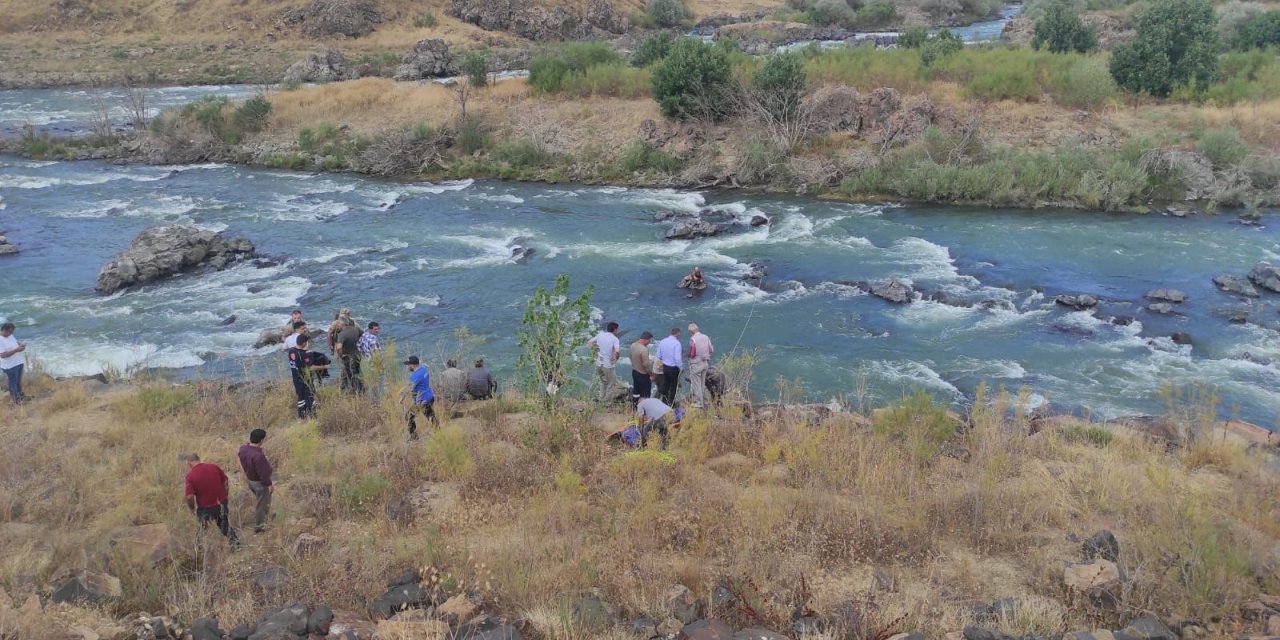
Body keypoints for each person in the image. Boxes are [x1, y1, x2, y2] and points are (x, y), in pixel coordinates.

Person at [179, 453, 239, 549]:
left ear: (189, 463)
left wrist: (192, 508)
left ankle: (198, 551)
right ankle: (236, 546)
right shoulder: (214, 467)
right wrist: (225, 496)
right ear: (199, 459)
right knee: (224, 525)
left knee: (201, 529)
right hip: (221, 503)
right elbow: (225, 482)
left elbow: (189, 497)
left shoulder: (190, 476)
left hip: (205, 508)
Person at [237, 429, 274, 533]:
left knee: (260, 501)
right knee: (262, 504)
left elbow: (240, 455)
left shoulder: (243, 448)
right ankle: (260, 527)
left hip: (250, 480)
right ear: (261, 440)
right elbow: (263, 473)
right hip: (259, 483)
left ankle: (265, 518)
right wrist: (269, 484)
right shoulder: (258, 456)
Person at [287, 334, 327, 418]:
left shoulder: (291, 351)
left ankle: (302, 416)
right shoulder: (303, 354)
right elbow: (311, 368)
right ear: (304, 343)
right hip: (304, 379)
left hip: (296, 379)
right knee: (309, 397)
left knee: (301, 397)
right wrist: (324, 367)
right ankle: (312, 416)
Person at [404, 355, 438, 440]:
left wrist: (402, 396)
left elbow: (410, 389)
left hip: (422, 401)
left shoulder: (414, 376)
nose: (407, 367)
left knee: (409, 417)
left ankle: (414, 437)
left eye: (408, 365)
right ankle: (438, 434)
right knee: (431, 417)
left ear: (413, 365)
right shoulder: (424, 370)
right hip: (429, 396)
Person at [587, 321, 622, 402]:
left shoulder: (600, 334)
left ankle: (601, 398)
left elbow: (589, 342)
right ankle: (606, 402)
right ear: (615, 330)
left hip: (599, 363)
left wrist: (595, 352)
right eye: (617, 329)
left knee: (603, 382)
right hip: (608, 365)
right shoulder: (615, 339)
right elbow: (617, 352)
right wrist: (616, 359)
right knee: (611, 383)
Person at [687, 323, 715, 409]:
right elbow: (711, 350)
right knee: (702, 383)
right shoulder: (705, 337)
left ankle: (699, 402)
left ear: (690, 331)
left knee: (696, 384)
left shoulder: (693, 339)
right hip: (705, 363)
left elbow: (692, 353)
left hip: (696, 363)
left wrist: (687, 356)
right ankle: (703, 401)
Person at [335, 318, 365, 394]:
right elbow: (363, 336)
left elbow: (339, 347)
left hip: (349, 357)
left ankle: (357, 391)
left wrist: (341, 355)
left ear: (343, 324)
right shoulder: (356, 329)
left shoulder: (342, 334)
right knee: (358, 372)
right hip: (358, 354)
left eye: (338, 324)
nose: (337, 325)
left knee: (351, 374)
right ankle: (362, 388)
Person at [0, 323, 27, 404]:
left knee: (18, 382)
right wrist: (17, 350)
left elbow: (14, 342)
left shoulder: (9, 335)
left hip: (18, 362)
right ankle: (15, 401)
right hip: (10, 366)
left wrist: (20, 344)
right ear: (4, 330)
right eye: (10, 332)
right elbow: (3, 355)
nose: (12, 334)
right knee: (13, 383)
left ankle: (20, 397)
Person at [656, 327, 683, 405]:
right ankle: (670, 403)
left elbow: (659, 355)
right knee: (673, 386)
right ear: (678, 334)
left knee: (666, 383)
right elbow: (677, 358)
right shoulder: (677, 343)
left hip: (665, 367)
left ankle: (663, 400)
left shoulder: (662, 341)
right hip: (674, 368)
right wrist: (681, 367)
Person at [630, 331, 655, 403]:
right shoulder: (644, 349)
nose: (649, 342)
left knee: (636, 392)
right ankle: (643, 410)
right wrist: (651, 374)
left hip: (634, 372)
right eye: (649, 340)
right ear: (646, 339)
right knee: (645, 394)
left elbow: (630, 356)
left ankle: (634, 407)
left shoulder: (633, 345)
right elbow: (646, 365)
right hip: (643, 375)